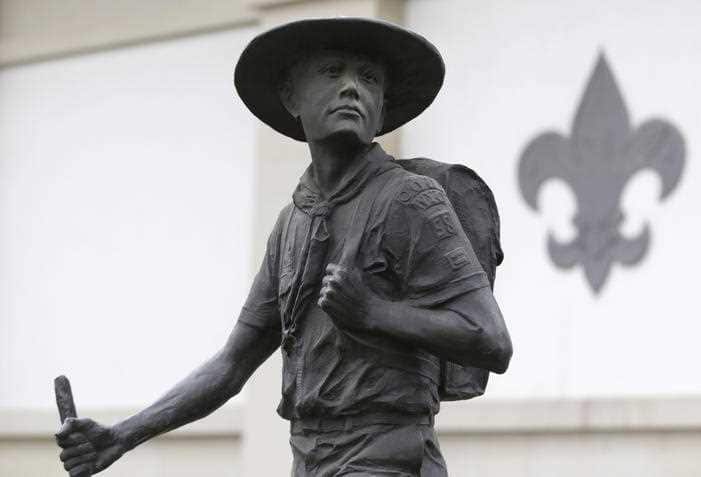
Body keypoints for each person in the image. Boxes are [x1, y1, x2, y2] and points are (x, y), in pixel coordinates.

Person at [55, 17, 512, 477]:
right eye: (333, 72)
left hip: (387, 459)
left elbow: (491, 340)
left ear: (383, 105)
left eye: (369, 78)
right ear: (292, 97)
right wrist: (122, 435)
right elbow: (232, 365)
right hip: (309, 460)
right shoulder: (293, 222)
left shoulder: (411, 200)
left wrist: (375, 313)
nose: (352, 88)